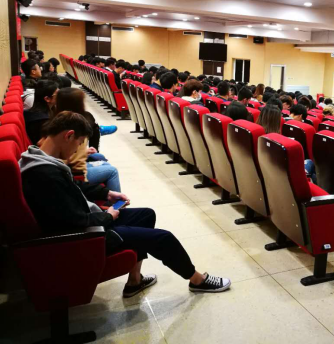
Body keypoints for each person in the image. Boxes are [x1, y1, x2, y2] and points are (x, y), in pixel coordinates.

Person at [20, 111, 231, 295]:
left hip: (87, 225)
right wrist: (107, 216)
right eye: (79, 143)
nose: (77, 150)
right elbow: (72, 221)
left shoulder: (39, 158)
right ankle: (197, 280)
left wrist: (107, 193)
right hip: (86, 238)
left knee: (146, 214)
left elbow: (74, 189)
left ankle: (134, 282)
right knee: (163, 238)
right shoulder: (45, 175)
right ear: (69, 135)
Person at [53, 88, 122, 192]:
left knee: (102, 161)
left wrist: (84, 152)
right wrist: (82, 154)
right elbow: (74, 162)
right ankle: (116, 201)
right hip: (74, 174)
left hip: (67, 169)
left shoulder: (56, 120)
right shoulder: (75, 127)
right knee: (112, 171)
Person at [23, 80, 59, 145]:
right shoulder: (42, 121)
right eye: (57, 94)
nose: (60, 96)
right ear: (47, 99)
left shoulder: (34, 111)